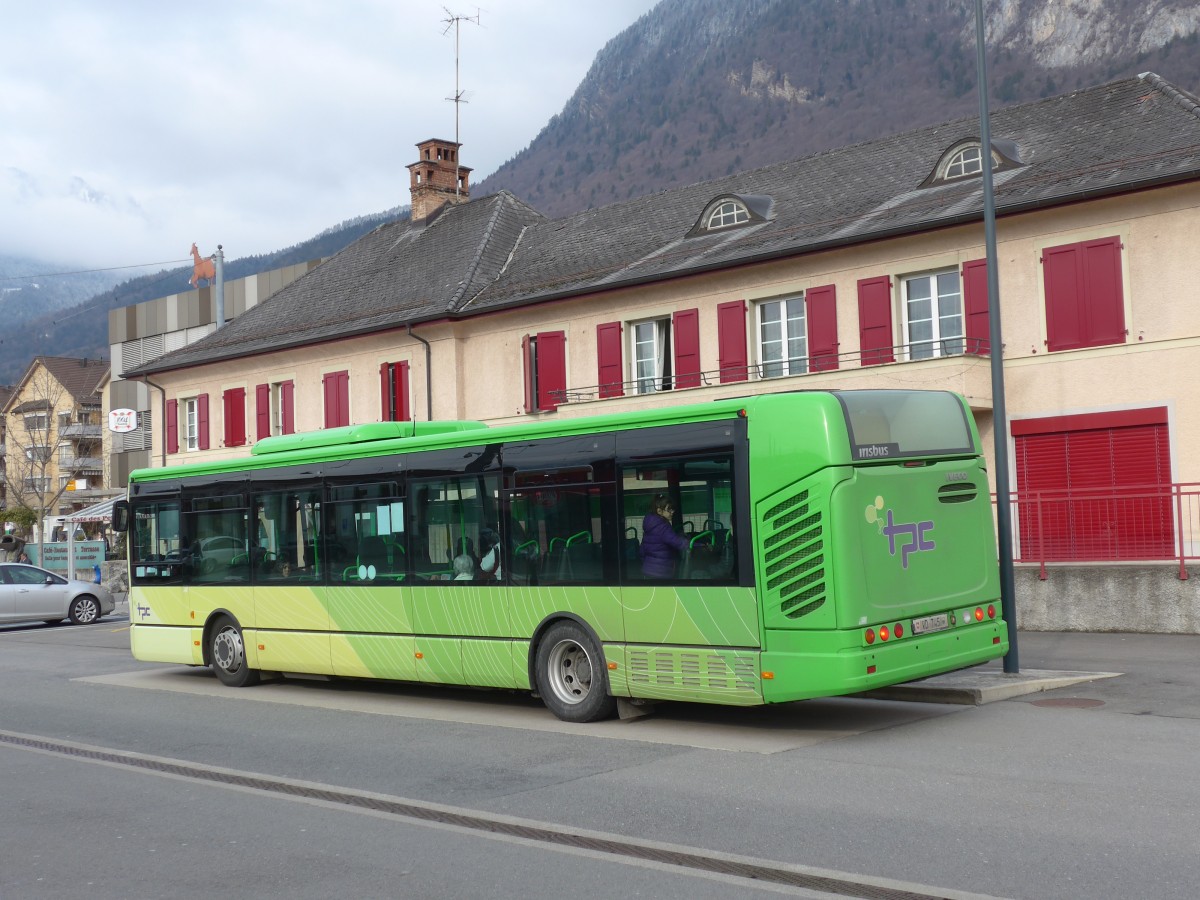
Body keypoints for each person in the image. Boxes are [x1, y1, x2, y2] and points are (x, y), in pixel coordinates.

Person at [640, 494, 689, 579]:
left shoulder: (650, 525)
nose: (672, 512)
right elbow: (678, 543)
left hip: (648, 571)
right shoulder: (662, 526)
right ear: (659, 511)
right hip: (661, 572)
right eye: (669, 509)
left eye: (672, 509)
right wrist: (698, 545)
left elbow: (642, 550)